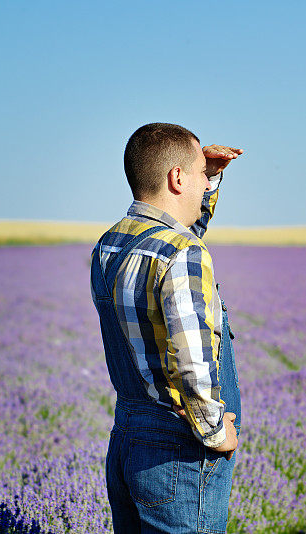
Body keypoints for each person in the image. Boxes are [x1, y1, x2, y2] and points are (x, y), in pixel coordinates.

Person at [89, 122, 244, 533]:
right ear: (177, 178)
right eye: (196, 175)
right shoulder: (182, 255)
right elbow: (191, 364)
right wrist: (217, 433)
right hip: (177, 451)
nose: (201, 183)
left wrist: (208, 177)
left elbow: (172, 234)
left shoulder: (110, 245)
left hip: (128, 441)